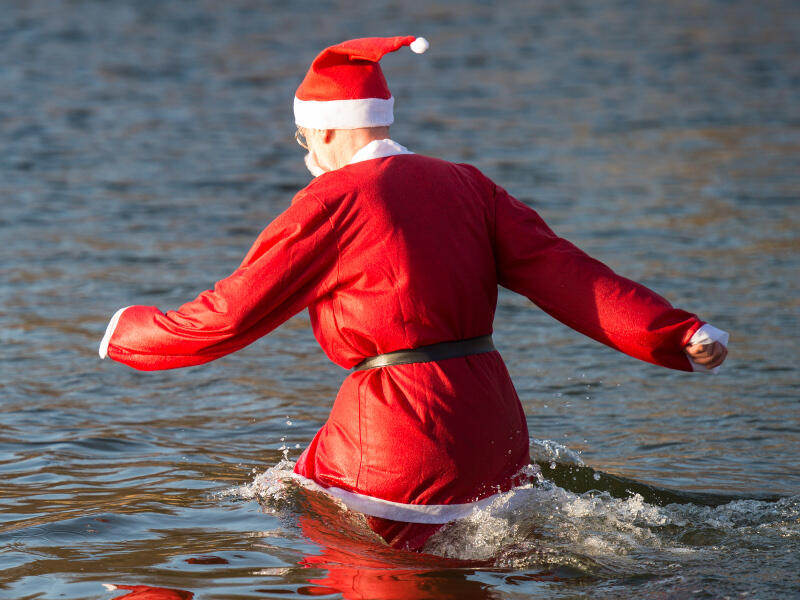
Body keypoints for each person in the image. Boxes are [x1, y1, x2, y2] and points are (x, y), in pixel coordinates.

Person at [99, 36, 728, 551]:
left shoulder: (333, 199)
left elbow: (230, 315)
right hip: (492, 415)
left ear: (320, 133)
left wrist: (128, 332)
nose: (305, 154)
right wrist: (677, 331)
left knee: (315, 533)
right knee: (505, 551)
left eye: (302, 140)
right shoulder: (467, 184)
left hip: (401, 426)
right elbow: (566, 272)